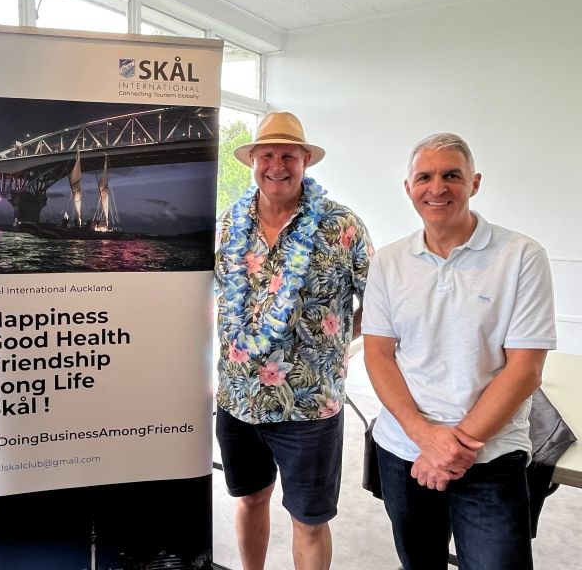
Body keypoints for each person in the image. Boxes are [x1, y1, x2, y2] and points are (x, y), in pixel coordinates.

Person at [362, 133, 556, 569]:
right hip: (404, 451)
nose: (437, 188)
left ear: (475, 182)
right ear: (408, 187)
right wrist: (424, 437)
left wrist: (453, 449)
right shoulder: (389, 262)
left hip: (489, 455)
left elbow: (525, 370)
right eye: (424, 177)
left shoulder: (521, 256)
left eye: (451, 175)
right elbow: (378, 355)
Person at [214, 111, 373, 570]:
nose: (277, 166)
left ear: (305, 160)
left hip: (309, 406)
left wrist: (336, 337)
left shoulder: (342, 226)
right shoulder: (229, 225)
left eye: (288, 155)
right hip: (238, 398)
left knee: (309, 521)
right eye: (267, 155)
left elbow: (380, 303)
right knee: (249, 499)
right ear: (253, 162)